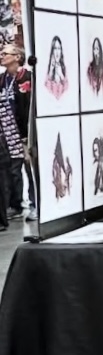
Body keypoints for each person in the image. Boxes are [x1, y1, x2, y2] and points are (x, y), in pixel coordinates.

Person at [0, 44, 30, 223]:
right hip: (5, 129)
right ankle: (12, 204)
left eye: (5, 53)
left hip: (22, 129)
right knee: (8, 168)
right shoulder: (2, 79)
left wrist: (26, 133)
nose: (2, 56)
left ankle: (21, 203)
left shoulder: (25, 77)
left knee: (20, 168)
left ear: (17, 57)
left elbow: (26, 106)